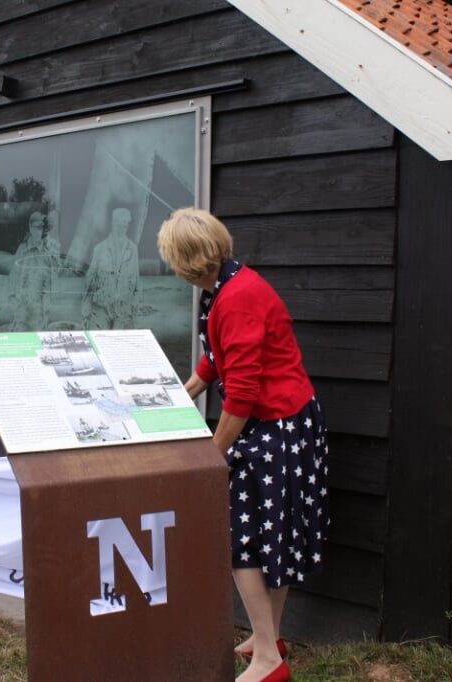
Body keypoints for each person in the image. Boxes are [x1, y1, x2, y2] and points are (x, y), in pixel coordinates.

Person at [157, 208, 329, 682]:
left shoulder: (238, 299)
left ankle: (270, 662)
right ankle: (267, 636)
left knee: (244, 540)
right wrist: (177, 396)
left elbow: (244, 395)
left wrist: (212, 457)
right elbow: (216, 360)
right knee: (274, 536)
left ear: (187, 261)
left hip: (278, 428)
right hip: (279, 424)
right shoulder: (224, 289)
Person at [0, 210, 61, 331]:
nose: (38, 232)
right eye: (35, 228)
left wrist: (46, 309)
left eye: (40, 228)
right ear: (30, 228)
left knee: (37, 337)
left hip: (38, 307)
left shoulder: (47, 253)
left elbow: (50, 281)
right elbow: (14, 275)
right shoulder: (22, 250)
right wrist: (12, 297)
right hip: (21, 304)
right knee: (13, 333)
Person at [81, 207, 139, 328]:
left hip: (123, 310)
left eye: (124, 225)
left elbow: (135, 281)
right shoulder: (99, 248)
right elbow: (90, 279)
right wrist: (86, 306)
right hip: (101, 308)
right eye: (118, 224)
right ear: (112, 223)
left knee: (119, 345)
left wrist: (134, 306)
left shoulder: (132, 249)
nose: (121, 229)